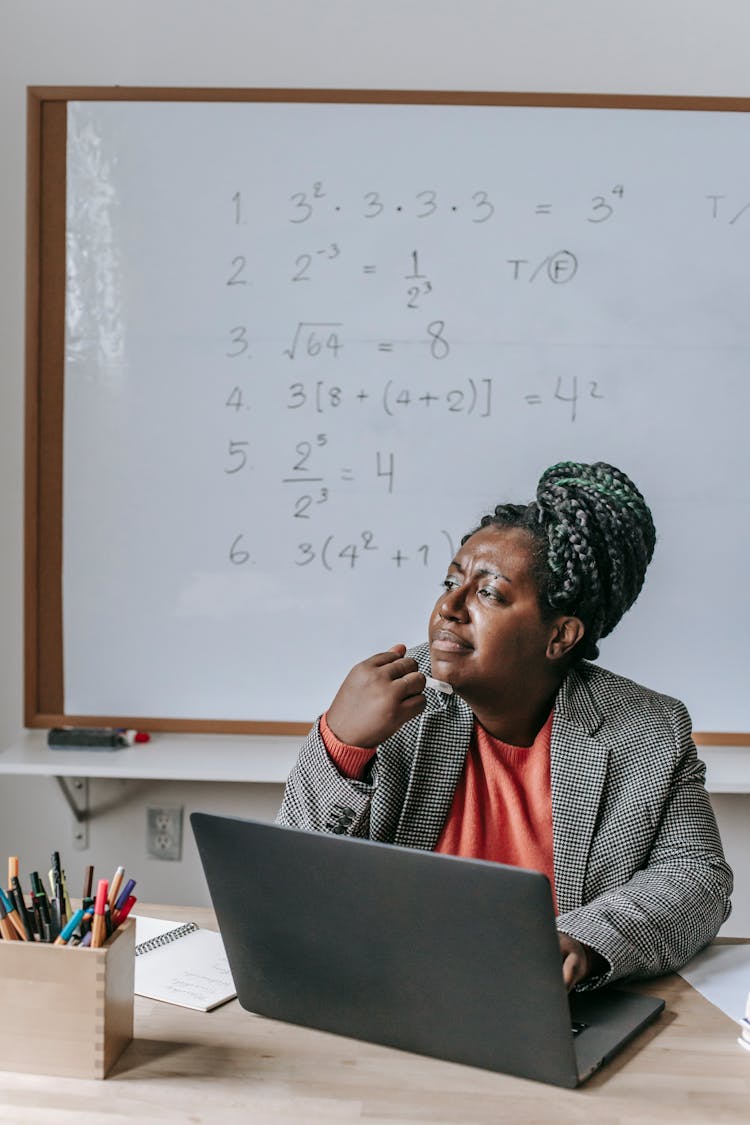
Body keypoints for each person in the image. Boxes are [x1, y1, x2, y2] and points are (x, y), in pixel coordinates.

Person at [277, 461, 732, 990]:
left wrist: (585, 941)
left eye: (488, 593)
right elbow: (291, 885)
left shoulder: (648, 729)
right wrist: (340, 742)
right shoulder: (390, 703)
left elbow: (696, 880)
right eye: (450, 581)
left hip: (542, 1009)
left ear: (560, 636)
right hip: (389, 988)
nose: (448, 607)